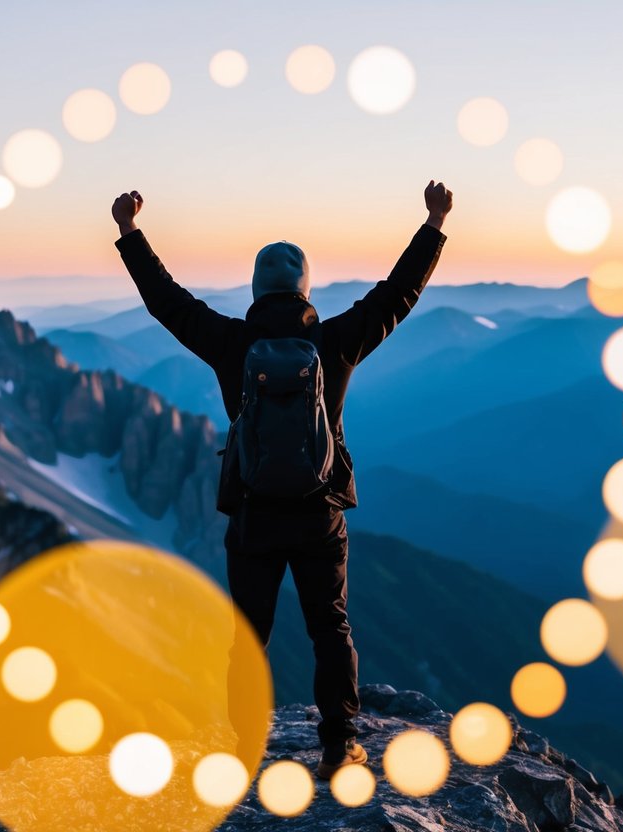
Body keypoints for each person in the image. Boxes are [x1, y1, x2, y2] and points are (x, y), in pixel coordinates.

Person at [111, 181, 451, 780]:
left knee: (248, 637)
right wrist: (432, 223)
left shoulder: (232, 343)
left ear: (256, 291)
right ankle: (340, 743)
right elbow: (397, 297)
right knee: (331, 628)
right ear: (305, 290)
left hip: (254, 513)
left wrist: (131, 233)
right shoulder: (334, 341)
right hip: (320, 512)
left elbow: (167, 302)